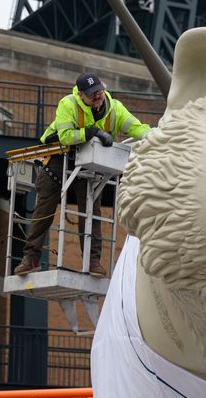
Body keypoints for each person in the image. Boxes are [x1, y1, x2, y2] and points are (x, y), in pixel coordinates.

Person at [14, 72, 151, 277]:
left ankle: (92, 262)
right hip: (58, 160)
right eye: (92, 93)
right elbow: (66, 136)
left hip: (88, 165)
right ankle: (31, 258)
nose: (97, 95)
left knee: (91, 212)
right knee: (43, 211)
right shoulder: (68, 104)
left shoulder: (115, 109)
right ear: (80, 95)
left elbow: (137, 128)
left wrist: (157, 137)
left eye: (99, 90)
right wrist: (93, 133)